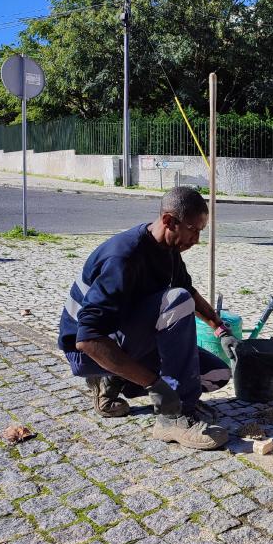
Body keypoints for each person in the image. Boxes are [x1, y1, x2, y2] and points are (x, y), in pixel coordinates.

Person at [58, 187, 238, 450]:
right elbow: (87, 339)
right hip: (88, 351)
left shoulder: (168, 250)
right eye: (193, 229)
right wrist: (156, 386)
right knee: (176, 301)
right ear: (168, 221)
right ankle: (173, 416)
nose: (197, 239)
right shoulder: (124, 257)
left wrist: (221, 329)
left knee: (217, 373)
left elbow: (189, 290)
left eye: (201, 230)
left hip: (126, 338)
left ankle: (120, 380)